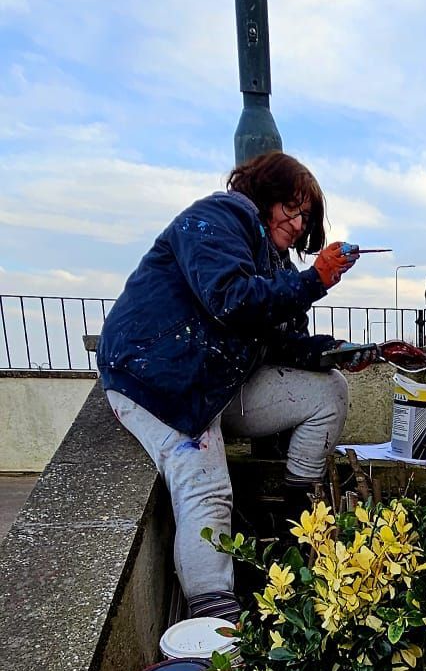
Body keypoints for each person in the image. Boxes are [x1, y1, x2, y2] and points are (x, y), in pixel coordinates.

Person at [97, 151, 377, 623]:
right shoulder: (220, 216)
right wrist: (314, 280)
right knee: (207, 490)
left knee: (328, 391)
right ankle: (214, 629)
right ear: (264, 194)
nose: (297, 220)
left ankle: (295, 522)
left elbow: (281, 343)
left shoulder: (275, 263)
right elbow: (229, 300)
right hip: (159, 380)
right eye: (291, 206)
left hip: (216, 383)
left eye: (305, 214)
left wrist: (340, 351)